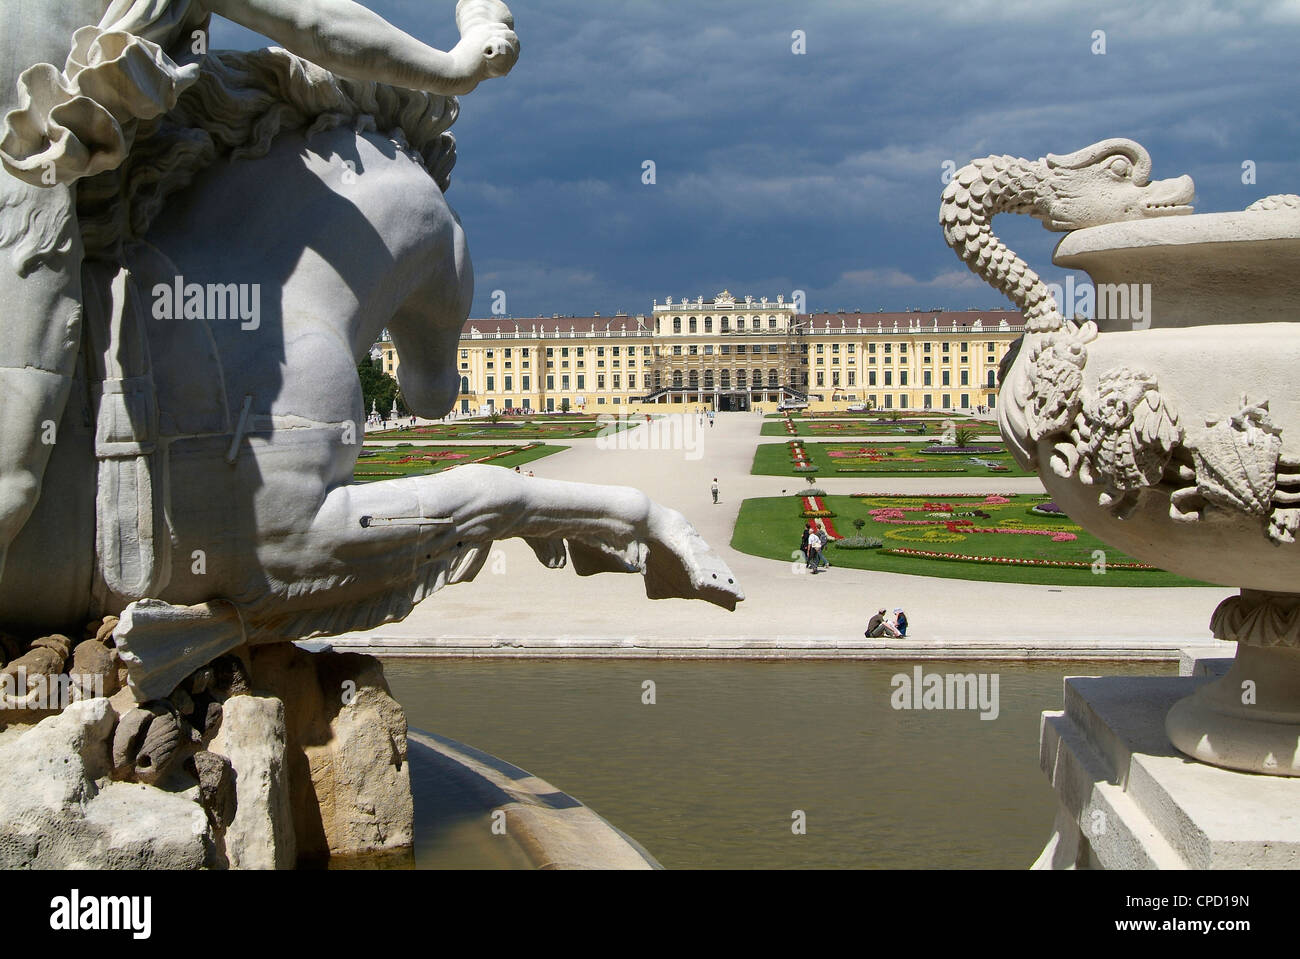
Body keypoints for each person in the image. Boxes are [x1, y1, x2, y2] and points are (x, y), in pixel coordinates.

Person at [0, 0, 520, 583]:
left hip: (59, 196)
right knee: (8, 488)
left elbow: (316, 22)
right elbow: (318, 26)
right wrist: (456, 67)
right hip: (21, 208)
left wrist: (454, 69)